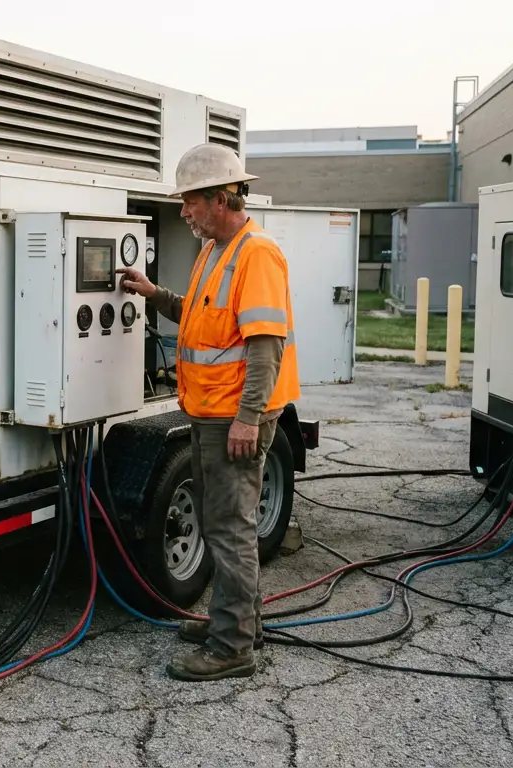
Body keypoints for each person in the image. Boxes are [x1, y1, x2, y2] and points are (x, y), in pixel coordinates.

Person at [117, 143, 300, 682]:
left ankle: (232, 647)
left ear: (222, 199)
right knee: (223, 524)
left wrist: (247, 419)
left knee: (229, 528)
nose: (183, 212)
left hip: (235, 417)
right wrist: (154, 293)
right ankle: (239, 621)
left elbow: (266, 346)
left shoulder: (256, 254)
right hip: (208, 411)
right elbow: (198, 317)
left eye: (190, 201)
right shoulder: (216, 251)